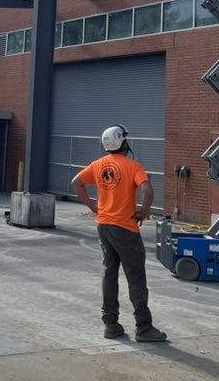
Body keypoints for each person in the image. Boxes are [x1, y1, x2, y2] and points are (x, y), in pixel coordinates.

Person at [71, 125, 167, 343]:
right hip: (125, 228)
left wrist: (93, 207)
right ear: (123, 142)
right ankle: (144, 327)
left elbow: (76, 183)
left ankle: (111, 324)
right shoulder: (133, 167)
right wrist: (145, 211)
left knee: (109, 272)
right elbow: (148, 189)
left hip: (103, 226)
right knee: (136, 277)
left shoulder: (97, 165)